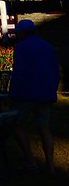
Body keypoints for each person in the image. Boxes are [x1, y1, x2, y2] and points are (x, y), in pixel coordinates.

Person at [9, 19, 60, 175]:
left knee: (16, 125)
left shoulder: (21, 47)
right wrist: (52, 89)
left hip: (25, 93)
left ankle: (30, 161)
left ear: (22, 33)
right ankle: (50, 166)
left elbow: (19, 73)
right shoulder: (48, 47)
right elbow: (56, 71)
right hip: (45, 93)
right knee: (44, 128)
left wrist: (12, 93)